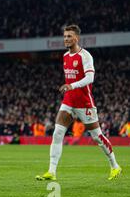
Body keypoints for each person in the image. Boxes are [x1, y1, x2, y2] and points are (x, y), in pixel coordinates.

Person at [36, 25, 122, 181]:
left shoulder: (85, 56)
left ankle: (115, 166)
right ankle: (51, 172)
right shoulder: (65, 56)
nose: (66, 39)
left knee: (97, 137)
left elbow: (90, 79)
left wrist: (72, 85)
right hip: (69, 101)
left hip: (85, 103)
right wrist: (70, 88)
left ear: (76, 38)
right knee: (57, 133)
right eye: (64, 36)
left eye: (69, 36)